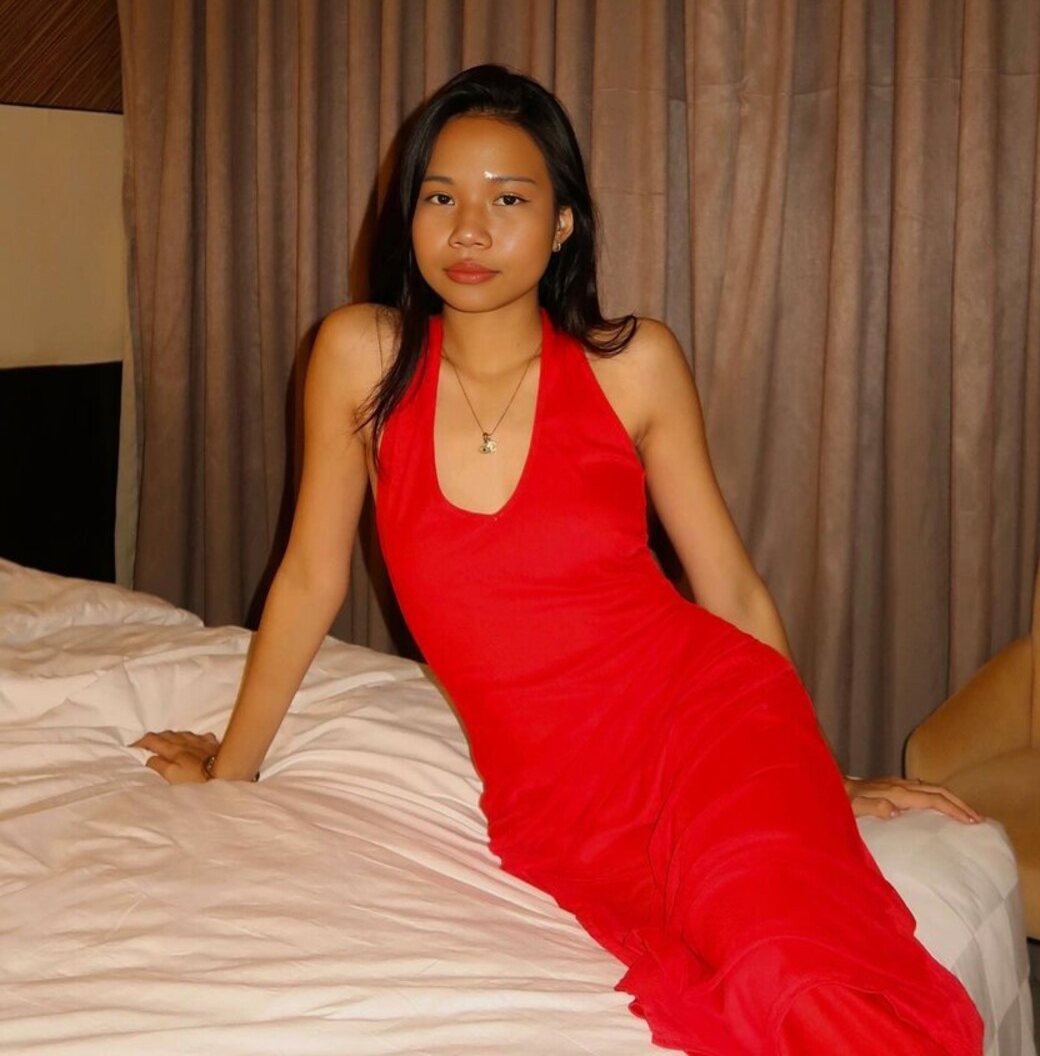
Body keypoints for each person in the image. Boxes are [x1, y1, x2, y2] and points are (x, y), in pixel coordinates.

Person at [136, 65, 984, 1054]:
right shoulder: (360, 356)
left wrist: (817, 777)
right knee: (739, 977)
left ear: (564, 224)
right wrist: (232, 771)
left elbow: (731, 589)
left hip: (712, 720)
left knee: (793, 971)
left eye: (509, 200)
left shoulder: (633, 364)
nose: (469, 231)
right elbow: (309, 578)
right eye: (441, 198)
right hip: (560, 799)